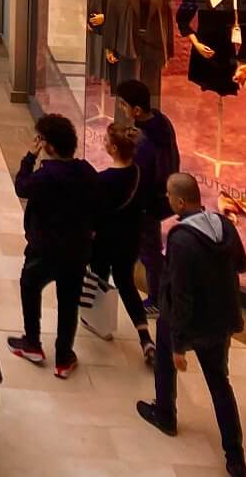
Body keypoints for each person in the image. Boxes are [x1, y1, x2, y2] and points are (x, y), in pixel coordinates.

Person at [136, 173, 246, 477]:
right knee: (220, 385)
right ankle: (235, 456)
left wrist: (178, 344)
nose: (167, 201)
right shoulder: (223, 225)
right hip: (222, 320)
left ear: (181, 201)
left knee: (165, 364)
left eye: (170, 196)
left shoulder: (181, 238)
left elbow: (179, 291)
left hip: (187, 320)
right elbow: (241, 264)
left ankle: (165, 414)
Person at [8, 112, 98, 378]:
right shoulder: (86, 172)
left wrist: (29, 157)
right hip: (76, 251)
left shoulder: (46, 177)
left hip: (44, 249)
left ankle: (33, 342)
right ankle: (63, 356)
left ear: (47, 145)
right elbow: (98, 205)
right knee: (68, 302)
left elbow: (22, 187)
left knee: (30, 286)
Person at [90, 121, 154, 364]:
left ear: (114, 148)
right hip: (130, 240)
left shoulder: (104, 180)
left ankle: (100, 322)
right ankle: (145, 337)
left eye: (106, 141)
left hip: (105, 241)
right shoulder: (139, 174)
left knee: (99, 277)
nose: (104, 143)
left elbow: (94, 213)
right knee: (127, 284)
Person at [116, 76, 181, 303]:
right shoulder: (162, 122)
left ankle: (157, 299)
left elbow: (139, 179)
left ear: (135, 109)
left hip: (148, 204)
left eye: (123, 105)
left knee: (150, 253)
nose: (121, 109)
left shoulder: (145, 144)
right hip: (162, 196)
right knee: (150, 249)